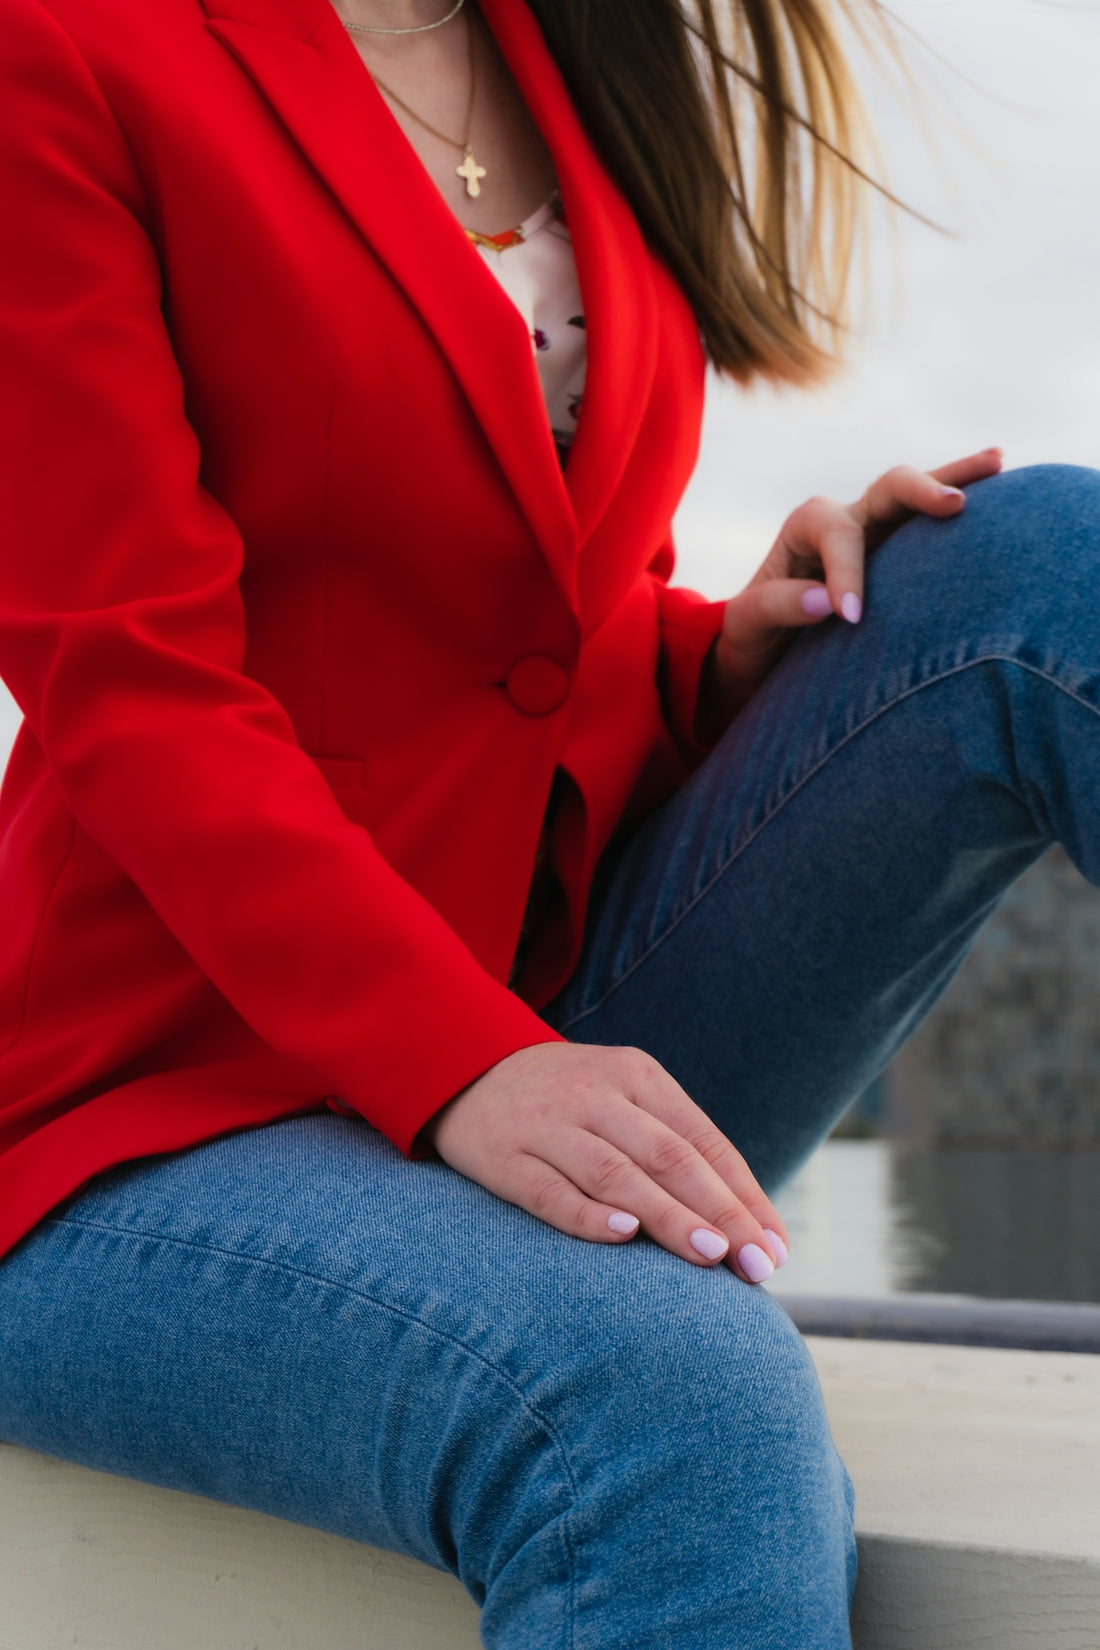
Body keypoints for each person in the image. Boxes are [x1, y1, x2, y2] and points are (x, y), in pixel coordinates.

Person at [0, 0, 1096, 1643]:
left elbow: (520, 614)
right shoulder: (64, 51)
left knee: (1025, 563)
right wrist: (456, 1057)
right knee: (672, 1407)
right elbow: (130, 680)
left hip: (552, 1013)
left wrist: (713, 653)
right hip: (149, 1106)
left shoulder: (576, 50)